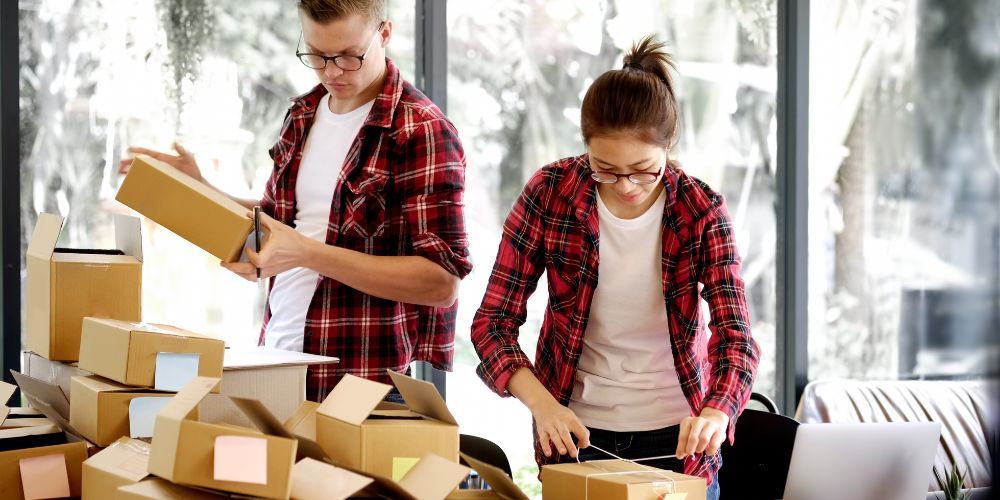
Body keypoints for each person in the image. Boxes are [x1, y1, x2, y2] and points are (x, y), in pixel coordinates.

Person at [120, 0, 472, 402]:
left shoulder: (421, 130)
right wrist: (200, 189)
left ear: (385, 34)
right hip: (276, 363)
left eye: (349, 56)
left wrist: (307, 253)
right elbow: (280, 225)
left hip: (363, 386)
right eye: (318, 56)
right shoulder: (303, 113)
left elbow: (442, 282)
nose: (332, 72)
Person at [470, 36, 760, 499]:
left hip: (679, 440)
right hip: (575, 433)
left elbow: (737, 339)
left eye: (644, 169)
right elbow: (492, 324)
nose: (626, 186)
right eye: (606, 168)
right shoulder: (550, 193)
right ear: (585, 148)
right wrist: (543, 407)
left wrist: (717, 412)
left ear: (669, 147)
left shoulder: (701, 212)